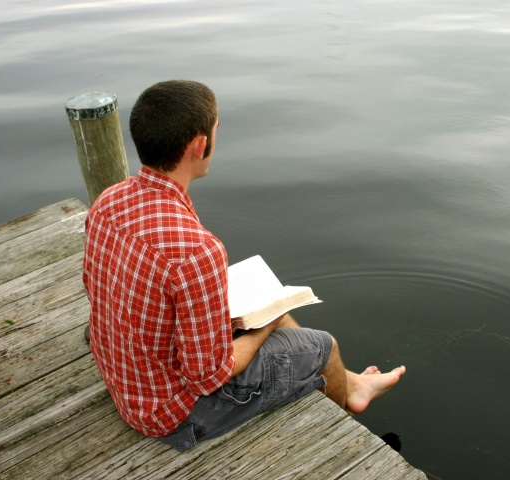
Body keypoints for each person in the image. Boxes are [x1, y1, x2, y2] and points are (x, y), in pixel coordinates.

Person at [82, 80, 406, 451]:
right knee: (323, 346)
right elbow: (207, 377)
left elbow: (99, 288)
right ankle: (345, 423)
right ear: (200, 144)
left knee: (270, 308)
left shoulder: (109, 201)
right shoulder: (197, 251)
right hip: (171, 414)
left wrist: (266, 316)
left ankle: (352, 383)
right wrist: (263, 326)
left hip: (127, 378)